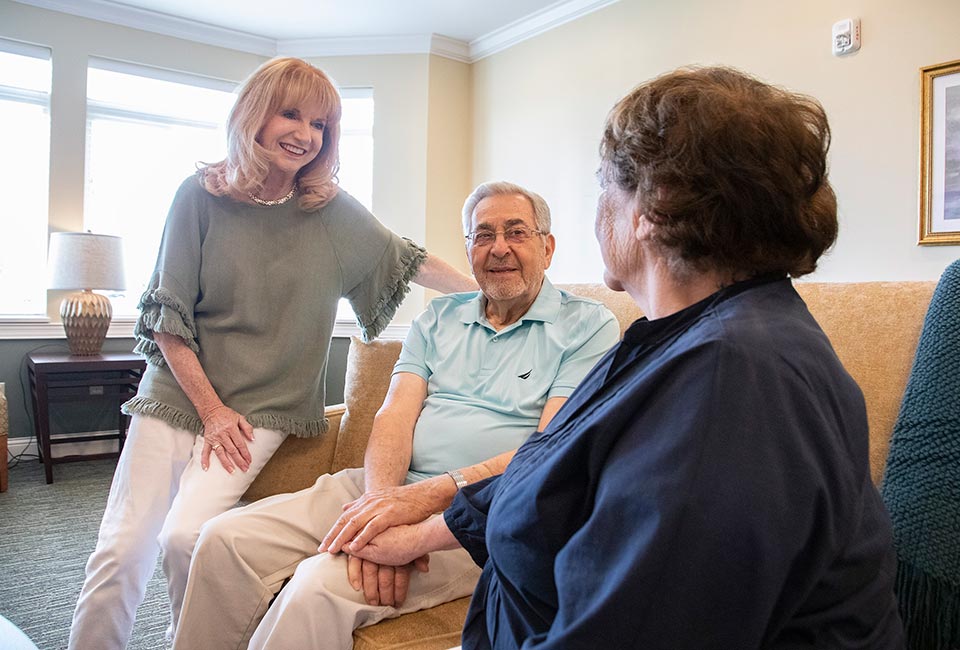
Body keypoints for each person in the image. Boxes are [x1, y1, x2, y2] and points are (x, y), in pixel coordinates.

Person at [349, 66, 906, 649]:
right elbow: (557, 469)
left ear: (652, 208)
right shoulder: (676, 338)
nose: (597, 212)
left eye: (604, 188)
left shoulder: (734, 379)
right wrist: (426, 531)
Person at [67, 57, 477, 650]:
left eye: (320, 125)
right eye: (291, 114)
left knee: (184, 538)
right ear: (253, 115)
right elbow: (167, 319)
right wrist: (210, 411)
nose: (305, 134)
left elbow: (406, 259)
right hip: (178, 394)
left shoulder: (329, 210)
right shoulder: (198, 197)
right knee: (119, 549)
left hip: (263, 406)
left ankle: (188, 638)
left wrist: (493, 290)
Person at [170, 180, 619, 650]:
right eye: (483, 235)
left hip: (476, 513)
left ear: (547, 247)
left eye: (516, 232)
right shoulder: (439, 317)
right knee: (223, 540)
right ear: (468, 249)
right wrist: (383, 504)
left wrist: (416, 506)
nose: (499, 248)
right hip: (381, 484)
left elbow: (548, 449)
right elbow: (393, 416)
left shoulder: (588, 326)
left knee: (316, 587)